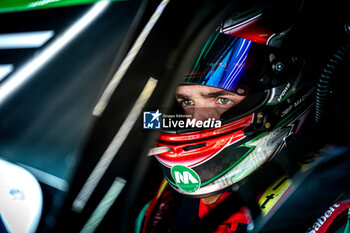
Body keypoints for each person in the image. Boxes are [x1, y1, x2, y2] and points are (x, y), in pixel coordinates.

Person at [137, 13, 350, 233]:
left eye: (221, 100)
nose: (196, 120)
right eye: (186, 101)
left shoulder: (334, 206)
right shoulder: (163, 206)